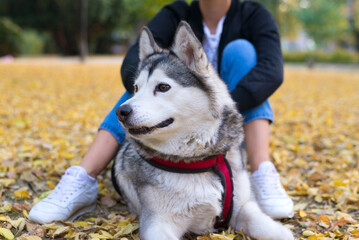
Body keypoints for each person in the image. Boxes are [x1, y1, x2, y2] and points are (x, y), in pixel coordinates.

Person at [29, 0, 294, 224]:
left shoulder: (255, 15)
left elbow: (272, 71)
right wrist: (152, 89)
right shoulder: (176, 13)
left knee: (244, 54)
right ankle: (82, 180)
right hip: (178, 117)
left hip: (230, 123)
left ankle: (262, 173)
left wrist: (214, 106)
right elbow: (134, 60)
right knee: (139, 92)